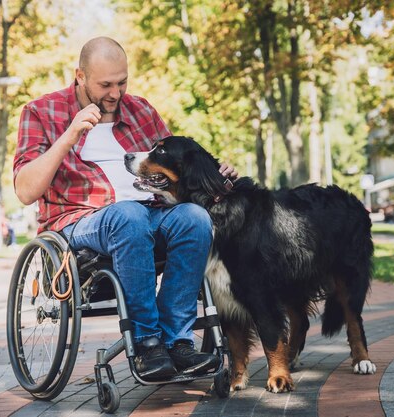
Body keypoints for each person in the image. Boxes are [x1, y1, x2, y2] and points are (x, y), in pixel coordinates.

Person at [13, 37, 236, 380]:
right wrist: (69, 135)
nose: (115, 94)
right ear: (80, 76)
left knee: (194, 218)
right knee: (127, 215)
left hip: (151, 212)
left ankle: (177, 340)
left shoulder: (140, 110)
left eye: (122, 82)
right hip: (80, 222)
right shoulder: (41, 112)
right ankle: (147, 342)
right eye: (105, 85)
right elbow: (26, 191)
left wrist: (215, 174)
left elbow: (177, 164)